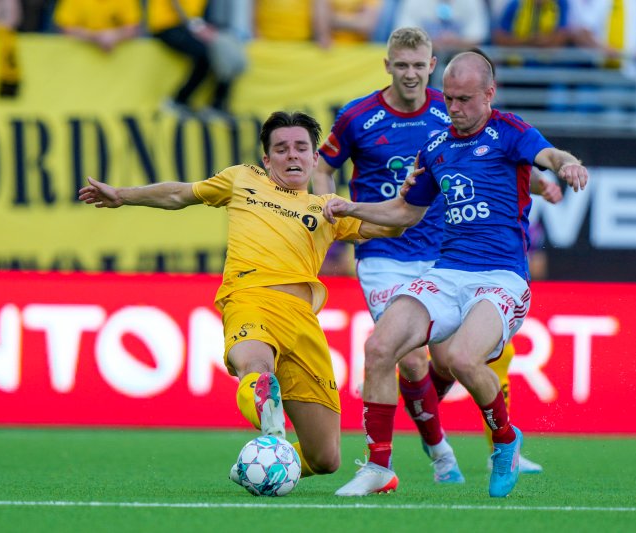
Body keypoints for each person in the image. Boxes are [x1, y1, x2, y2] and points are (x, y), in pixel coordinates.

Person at [78, 111, 404, 487]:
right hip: (249, 298)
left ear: (316, 159)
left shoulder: (328, 208)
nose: (292, 156)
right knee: (256, 364)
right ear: (267, 159)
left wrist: (407, 192)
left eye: (301, 148)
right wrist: (121, 195)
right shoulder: (243, 179)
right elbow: (178, 193)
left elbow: (392, 224)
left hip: (302, 320)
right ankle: (269, 422)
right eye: (281, 149)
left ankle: (260, 463)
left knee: (325, 457)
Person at [324, 51, 588, 497]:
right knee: (379, 346)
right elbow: (405, 211)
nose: (455, 108)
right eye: (448, 98)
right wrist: (352, 207)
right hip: (447, 272)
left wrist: (566, 164)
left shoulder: (509, 131)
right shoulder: (436, 146)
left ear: (489, 94)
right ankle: (377, 467)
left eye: (465, 99)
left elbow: (548, 153)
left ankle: (505, 441)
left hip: (501, 277)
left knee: (465, 359)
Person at [148, 0, 249, 118]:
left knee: (225, 51)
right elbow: (177, 6)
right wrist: (197, 28)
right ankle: (179, 100)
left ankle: (218, 104)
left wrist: (206, 28)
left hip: (189, 25)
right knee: (207, 54)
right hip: (167, 25)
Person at [53, 0, 141, 53]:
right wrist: (95, 37)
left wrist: (114, 36)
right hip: (78, 64)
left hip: (118, 65)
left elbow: (133, 28)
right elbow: (65, 28)